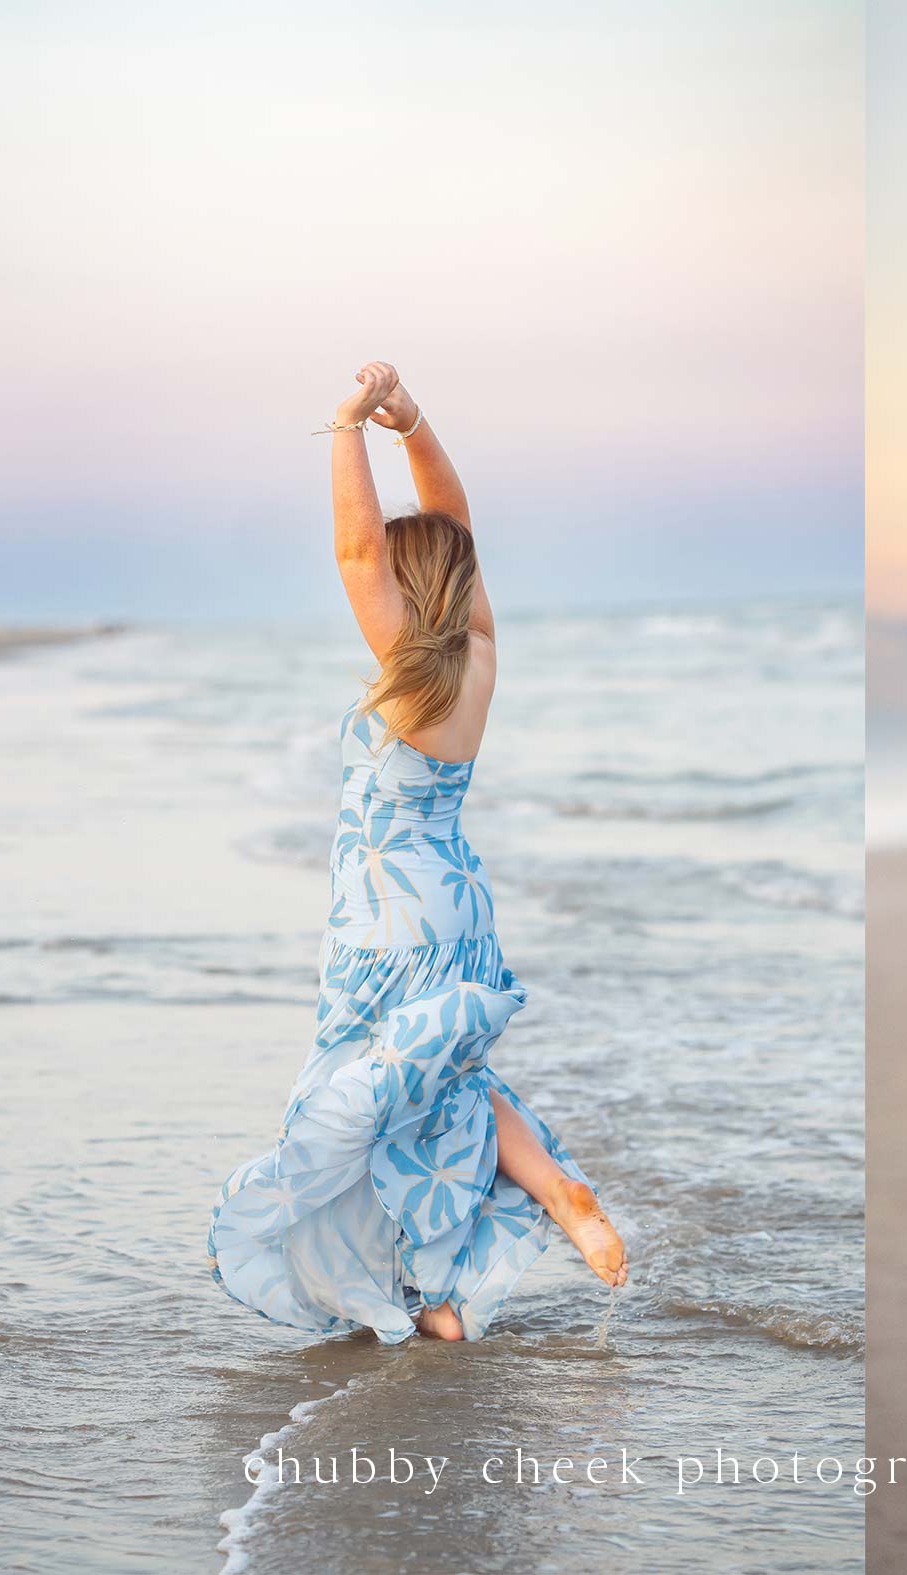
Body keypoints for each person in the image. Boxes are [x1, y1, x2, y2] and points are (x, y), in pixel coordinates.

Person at [208, 361, 627, 1345]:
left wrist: (350, 425)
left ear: (405, 587)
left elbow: (358, 551)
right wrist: (419, 428)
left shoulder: (411, 675)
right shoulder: (476, 654)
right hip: (456, 899)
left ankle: (425, 1287)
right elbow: (455, 530)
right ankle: (488, 1254)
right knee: (445, 1085)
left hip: (388, 915)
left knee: (367, 1099)